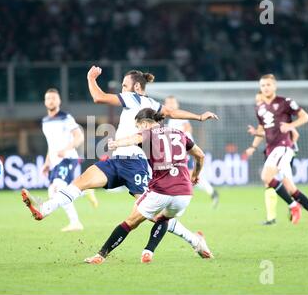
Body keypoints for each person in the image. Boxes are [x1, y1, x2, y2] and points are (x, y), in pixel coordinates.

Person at [21, 66, 218, 247]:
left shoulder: (134, 98)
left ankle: (194, 240)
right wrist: (199, 117)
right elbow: (172, 112)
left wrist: (91, 79)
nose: (123, 89)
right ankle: (44, 209)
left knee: (154, 216)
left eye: (125, 85)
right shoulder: (152, 104)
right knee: (82, 180)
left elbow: (99, 97)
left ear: (137, 87)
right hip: (117, 160)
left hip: (136, 164)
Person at [84, 108, 213, 264]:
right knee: (163, 219)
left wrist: (116, 143)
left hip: (161, 190)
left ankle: (100, 256)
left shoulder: (148, 133)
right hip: (185, 194)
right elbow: (200, 155)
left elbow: (132, 139)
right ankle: (148, 251)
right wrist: (195, 175)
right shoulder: (179, 133)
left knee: (129, 222)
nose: (138, 129)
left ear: (145, 123)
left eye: (138, 126)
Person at [245, 74, 308, 230]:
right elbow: (265, 130)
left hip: (283, 147)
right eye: (263, 85)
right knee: (290, 188)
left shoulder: (285, 102)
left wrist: (291, 126)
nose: (266, 88)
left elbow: (305, 117)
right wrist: (255, 138)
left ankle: (293, 206)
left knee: (266, 176)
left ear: (274, 86)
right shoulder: (260, 108)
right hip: (272, 149)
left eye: (268, 84)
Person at [21, 88, 98, 232]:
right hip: (55, 161)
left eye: (54, 98)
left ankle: (57, 215)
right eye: (48, 98)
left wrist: (67, 149)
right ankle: (84, 192)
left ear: (59, 101)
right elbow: (51, 144)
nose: (51, 100)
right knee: (53, 192)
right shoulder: (45, 121)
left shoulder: (66, 117)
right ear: (45, 102)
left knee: (57, 188)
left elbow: (79, 137)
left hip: (68, 158)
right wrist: (47, 161)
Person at [247, 91, 300, 225]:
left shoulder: (278, 116)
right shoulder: (264, 116)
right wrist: (253, 147)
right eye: (257, 101)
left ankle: (294, 206)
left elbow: (295, 134)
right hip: (273, 153)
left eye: (260, 101)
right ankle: (272, 217)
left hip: (283, 153)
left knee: (286, 185)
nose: (259, 104)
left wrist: (289, 146)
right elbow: (261, 133)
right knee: (270, 182)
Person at [164, 96, 219, 208]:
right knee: (189, 175)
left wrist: (183, 139)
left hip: (185, 151)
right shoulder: (170, 120)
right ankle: (211, 192)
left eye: (172, 103)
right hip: (177, 152)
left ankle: (184, 195)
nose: (170, 105)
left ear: (177, 105)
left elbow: (188, 128)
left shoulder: (180, 117)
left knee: (189, 175)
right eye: (168, 103)